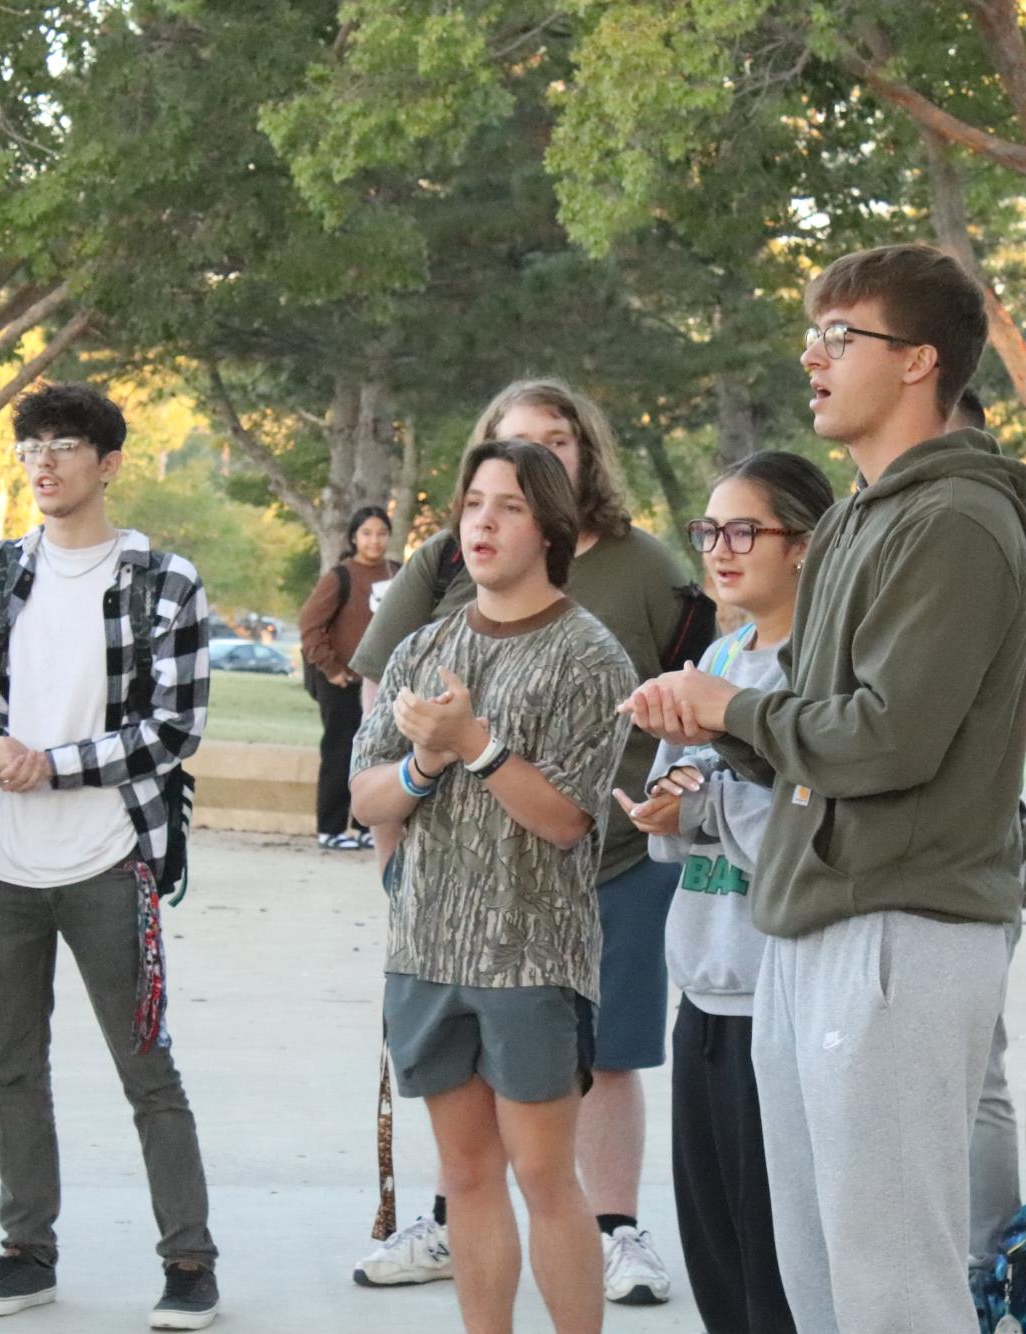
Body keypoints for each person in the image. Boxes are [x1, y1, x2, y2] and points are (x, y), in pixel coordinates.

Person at [624, 243, 1026, 1332]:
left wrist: (730, 712)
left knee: (892, 1285)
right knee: (817, 1285)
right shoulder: (861, 514)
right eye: (815, 333)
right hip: (808, 924)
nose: (813, 356)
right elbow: (813, 722)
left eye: (840, 336)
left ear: (918, 362)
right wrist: (714, 731)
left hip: (901, 926)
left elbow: (891, 739)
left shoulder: (952, 521)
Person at [350, 380, 685, 1303]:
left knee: (545, 1178)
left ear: (551, 531)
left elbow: (569, 817)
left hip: (531, 961)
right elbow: (362, 793)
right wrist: (422, 767)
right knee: (465, 1182)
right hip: (425, 952)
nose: (483, 524)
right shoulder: (424, 647)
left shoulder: (589, 655)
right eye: (472, 505)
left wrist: (475, 744)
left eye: (509, 508)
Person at [0, 382, 221, 1329]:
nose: (43, 461)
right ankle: (26, 1251)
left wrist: (51, 764)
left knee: (146, 1067)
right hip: (5, 866)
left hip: (112, 860)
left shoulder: (165, 579)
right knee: (12, 1069)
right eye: (31, 445)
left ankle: (189, 1261)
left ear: (108, 464)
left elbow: (173, 729)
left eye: (65, 444)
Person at [619, 451, 834, 1334]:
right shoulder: (718, 654)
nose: (720, 549)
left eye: (745, 530)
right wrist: (668, 815)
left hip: (774, 995)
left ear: (806, 545)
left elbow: (797, 834)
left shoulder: (817, 673)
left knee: (773, 1264)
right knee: (712, 1256)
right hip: (701, 984)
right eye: (709, 531)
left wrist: (700, 808)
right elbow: (682, 822)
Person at [950, 386, 1026, 1259]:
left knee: (975, 1065)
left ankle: (988, 1262)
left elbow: (1023, 716)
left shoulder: (1022, 560)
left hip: (973, 844)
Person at [299, 505, 399, 850]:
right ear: (354, 538)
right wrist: (332, 668)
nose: (375, 541)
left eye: (381, 533)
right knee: (340, 753)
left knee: (379, 756)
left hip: (385, 686)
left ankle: (368, 825)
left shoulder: (400, 574)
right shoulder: (341, 576)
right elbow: (309, 625)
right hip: (344, 685)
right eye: (367, 533)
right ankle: (331, 829)